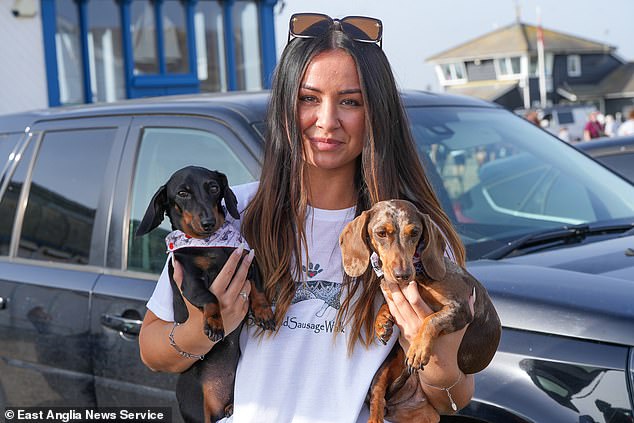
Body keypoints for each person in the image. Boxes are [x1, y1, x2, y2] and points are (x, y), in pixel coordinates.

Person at [139, 13, 474, 422]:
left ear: (377, 114)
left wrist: (430, 346)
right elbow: (152, 350)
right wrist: (203, 327)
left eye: (350, 101)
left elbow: (454, 399)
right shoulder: (233, 216)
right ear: (284, 104)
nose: (326, 120)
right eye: (308, 98)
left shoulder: (409, 232)